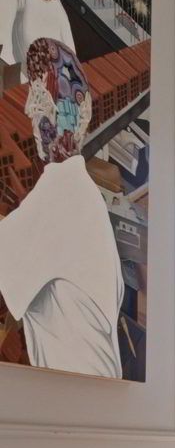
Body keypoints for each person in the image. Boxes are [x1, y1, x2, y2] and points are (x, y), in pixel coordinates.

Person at [0, 37, 124, 377]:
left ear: (60, 111)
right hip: (88, 394)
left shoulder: (61, 190)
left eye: (37, 96)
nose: (29, 108)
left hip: (78, 396)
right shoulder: (80, 191)